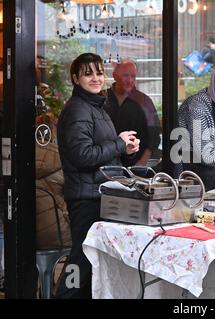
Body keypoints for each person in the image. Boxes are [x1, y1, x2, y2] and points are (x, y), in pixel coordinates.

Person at [55, 53, 139, 298]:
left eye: (99, 72)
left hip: (98, 196)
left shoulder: (95, 107)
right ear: (75, 78)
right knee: (81, 263)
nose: (96, 78)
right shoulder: (78, 110)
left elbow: (103, 155)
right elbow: (82, 155)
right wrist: (117, 144)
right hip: (86, 199)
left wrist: (126, 150)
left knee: (92, 265)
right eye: (88, 73)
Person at [105, 59, 160, 166]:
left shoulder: (144, 101)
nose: (130, 80)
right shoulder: (102, 98)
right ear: (114, 75)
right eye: (125, 75)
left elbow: (154, 137)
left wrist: (141, 164)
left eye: (133, 76)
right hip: (105, 163)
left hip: (135, 165)